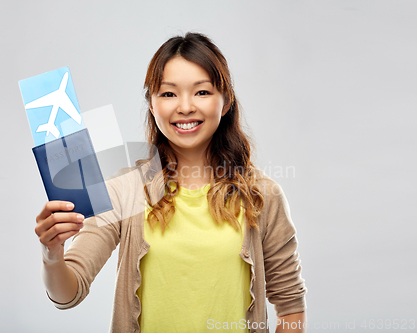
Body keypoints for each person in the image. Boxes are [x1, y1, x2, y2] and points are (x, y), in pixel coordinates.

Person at [35, 32, 307, 333]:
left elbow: (291, 306)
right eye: (168, 94)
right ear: (151, 104)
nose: (186, 107)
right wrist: (52, 253)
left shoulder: (262, 195)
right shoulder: (125, 190)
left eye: (202, 92)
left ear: (226, 101)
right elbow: (68, 292)